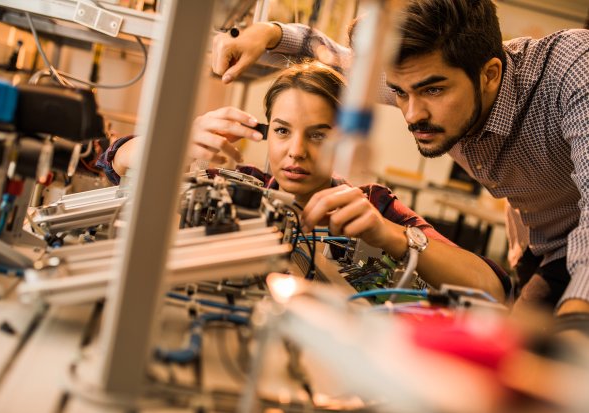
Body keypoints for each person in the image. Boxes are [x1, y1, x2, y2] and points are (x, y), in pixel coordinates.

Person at [210, 0, 589, 315]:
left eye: (433, 90)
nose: (411, 114)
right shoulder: (419, 80)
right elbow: (332, 57)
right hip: (547, 242)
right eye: (399, 93)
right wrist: (270, 34)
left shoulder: (573, 70)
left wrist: (575, 321)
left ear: (489, 74)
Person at [98, 62, 510, 302]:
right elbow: (112, 160)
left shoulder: (370, 205)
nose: (296, 151)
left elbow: (492, 286)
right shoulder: (234, 183)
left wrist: (391, 235)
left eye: (318, 135)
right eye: (281, 131)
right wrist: (174, 144)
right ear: (265, 131)